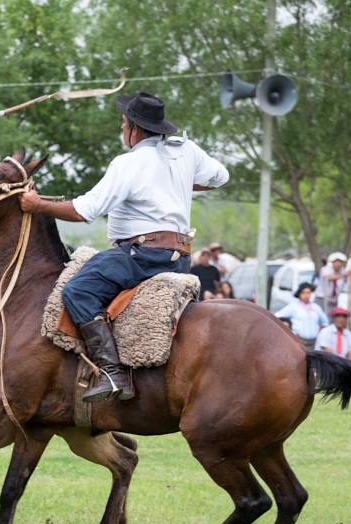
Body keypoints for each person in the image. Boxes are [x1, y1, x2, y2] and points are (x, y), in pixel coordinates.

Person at [20, 91, 229, 401]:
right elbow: (221, 177)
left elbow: (83, 211)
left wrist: (38, 205)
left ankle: (112, 373)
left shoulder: (128, 163)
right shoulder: (187, 150)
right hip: (180, 257)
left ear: (134, 128)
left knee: (77, 291)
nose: (121, 130)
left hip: (143, 256)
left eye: (123, 124)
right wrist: (180, 182)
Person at [274, 282, 328, 347]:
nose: (306, 295)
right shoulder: (293, 307)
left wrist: (320, 333)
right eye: (303, 292)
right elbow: (276, 316)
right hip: (299, 343)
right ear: (299, 294)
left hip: (315, 343)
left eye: (308, 292)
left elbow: (325, 322)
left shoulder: (316, 307)